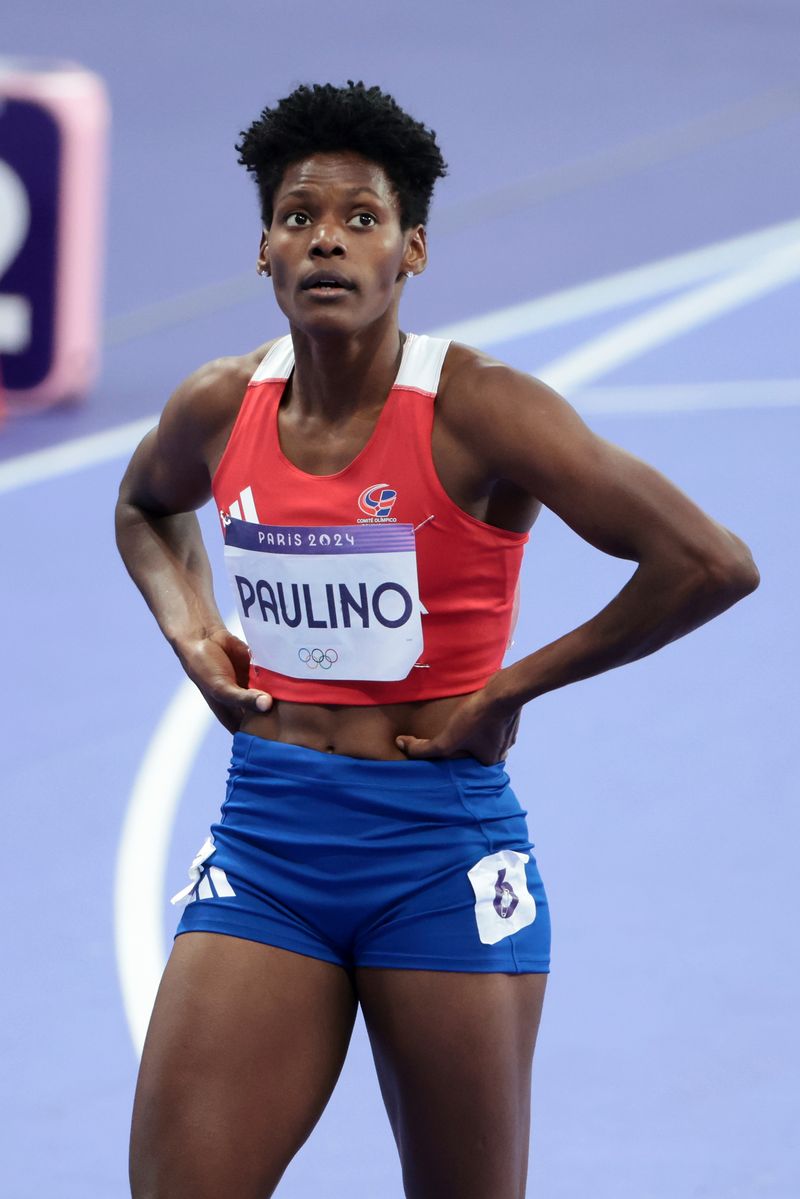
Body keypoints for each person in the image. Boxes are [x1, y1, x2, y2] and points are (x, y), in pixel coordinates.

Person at [115, 81, 759, 1199]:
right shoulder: (219, 407)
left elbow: (709, 562)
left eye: (359, 218)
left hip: (437, 853)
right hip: (268, 842)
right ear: (262, 250)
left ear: (411, 251)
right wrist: (193, 636)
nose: (326, 238)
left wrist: (511, 687)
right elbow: (145, 507)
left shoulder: (483, 410)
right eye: (298, 215)